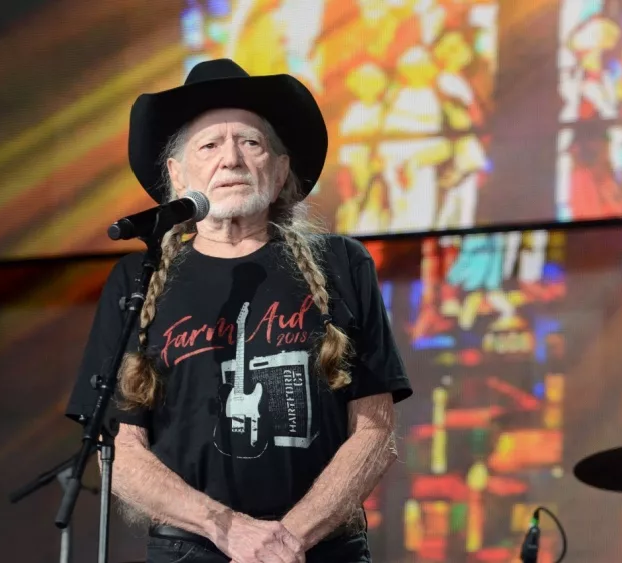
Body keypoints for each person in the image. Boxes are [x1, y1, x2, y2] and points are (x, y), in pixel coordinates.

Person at [66, 59, 413, 563]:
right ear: (177, 173)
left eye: (250, 143)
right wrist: (229, 530)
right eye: (209, 145)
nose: (230, 159)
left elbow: (375, 430)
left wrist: (288, 538)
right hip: (190, 550)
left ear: (281, 167)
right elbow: (122, 451)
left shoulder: (340, 263)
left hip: (320, 549)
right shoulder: (136, 282)